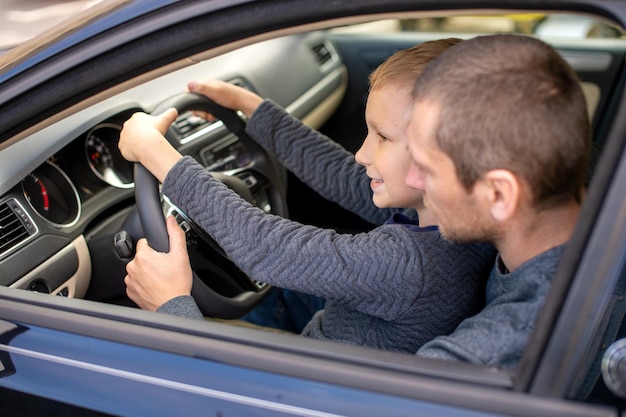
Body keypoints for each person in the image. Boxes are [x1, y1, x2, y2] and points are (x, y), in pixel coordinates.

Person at [118, 38, 497, 353]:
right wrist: (253, 109)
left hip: (302, 389)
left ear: (438, 160)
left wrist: (171, 304)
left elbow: (267, 248)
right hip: (336, 342)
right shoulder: (457, 218)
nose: (363, 154)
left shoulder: (406, 267)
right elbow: (345, 175)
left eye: (382, 137)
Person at [405, 34, 590, 368]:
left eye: (427, 170)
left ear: (499, 195)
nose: (411, 181)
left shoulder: (481, 357)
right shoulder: (571, 176)